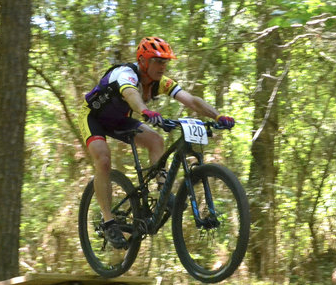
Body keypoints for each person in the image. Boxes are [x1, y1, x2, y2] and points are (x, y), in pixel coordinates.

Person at [77, 36, 235, 248]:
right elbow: (131, 93)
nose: (162, 66)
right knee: (103, 160)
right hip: (93, 117)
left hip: (119, 120)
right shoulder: (125, 74)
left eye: (165, 62)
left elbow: (191, 100)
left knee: (156, 140)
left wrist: (217, 116)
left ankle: (162, 192)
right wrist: (145, 110)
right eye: (157, 61)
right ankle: (108, 221)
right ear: (143, 61)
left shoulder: (161, 83)